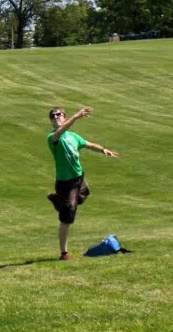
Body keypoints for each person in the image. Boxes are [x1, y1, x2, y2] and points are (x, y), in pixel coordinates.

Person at [46, 107, 119, 260]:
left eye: (58, 115)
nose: (55, 117)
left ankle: (60, 202)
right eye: (52, 116)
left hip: (79, 178)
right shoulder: (53, 138)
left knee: (82, 196)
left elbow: (88, 144)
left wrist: (103, 150)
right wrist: (76, 116)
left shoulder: (73, 136)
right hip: (65, 183)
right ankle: (64, 253)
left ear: (64, 117)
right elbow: (61, 131)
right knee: (68, 217)